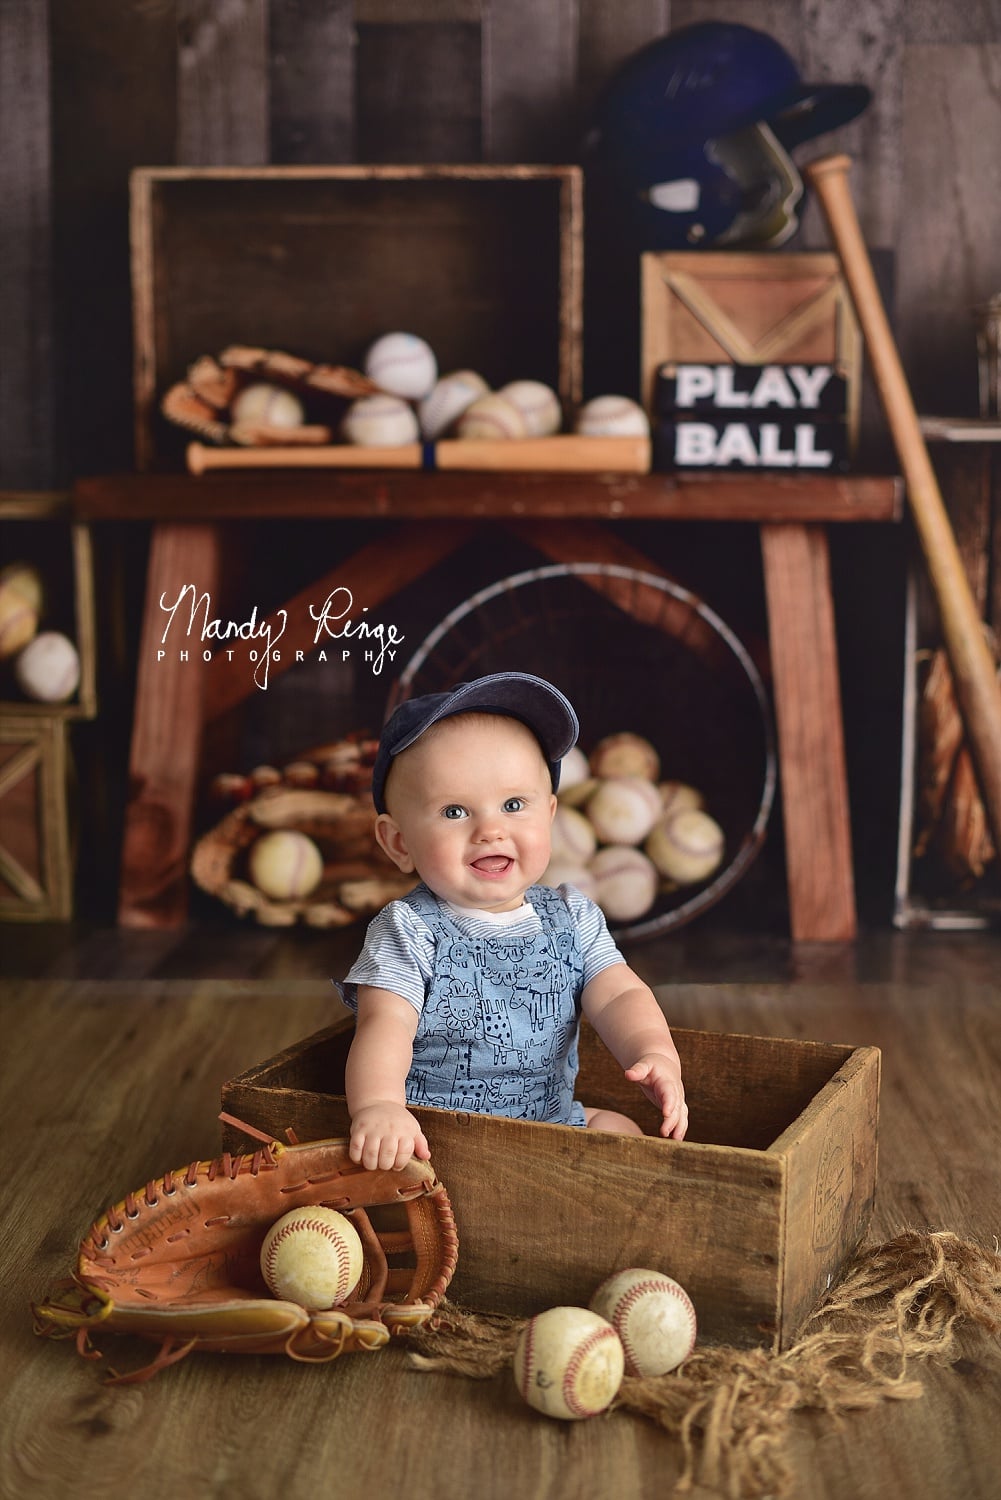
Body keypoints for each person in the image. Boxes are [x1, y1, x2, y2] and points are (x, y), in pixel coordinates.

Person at [339, 672, 688, 1171]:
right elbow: (384, 1024)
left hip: (551, 1122)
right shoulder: (408, 930)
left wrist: (656, 1053)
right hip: (437, 1143)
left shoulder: (572, 915)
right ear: (398, 843)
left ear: (549, 815)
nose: (491, 830)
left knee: (622, 1136)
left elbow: (618, 994)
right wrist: (380, 1107)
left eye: (513, 804)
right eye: (455, 810)